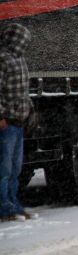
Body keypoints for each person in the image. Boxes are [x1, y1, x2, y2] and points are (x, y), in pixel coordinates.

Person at [0, 22, 36, 222]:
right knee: (3, 170)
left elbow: (22, 89)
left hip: (19, 122)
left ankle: (13, 204)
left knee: (15, 169)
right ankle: (4, 207)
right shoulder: (3, 59)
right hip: (7, 123)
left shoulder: (20, 59)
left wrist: (30, 109)